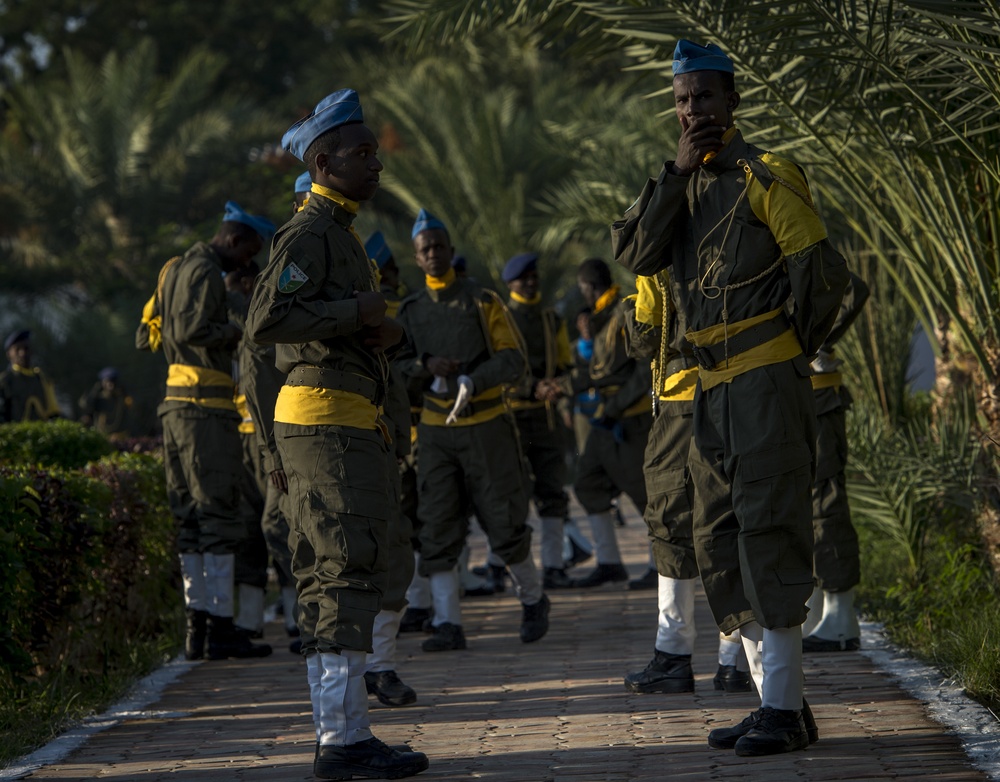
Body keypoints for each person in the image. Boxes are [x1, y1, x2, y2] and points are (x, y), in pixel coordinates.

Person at [612, 40, 848, 756]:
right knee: (715, 540)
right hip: (707, 390)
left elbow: (822, 275)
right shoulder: (673, 186)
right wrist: (674, 175)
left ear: (732, 102)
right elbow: (635, 258)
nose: (695, 113)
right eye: (684, 102)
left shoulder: (766, 177)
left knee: (769, 528)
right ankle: (782, 704)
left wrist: (782, 352)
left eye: (706, 98)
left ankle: (779, 708)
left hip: (764, 382)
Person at [245, 88, 428, 780]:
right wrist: (355, 310)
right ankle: (341, 739)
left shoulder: (340, 228)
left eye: (374, 150)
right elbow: (267, 319)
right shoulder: (311, 231)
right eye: (361, 152)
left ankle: (346, 732)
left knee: (349, 568)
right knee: (339, 570)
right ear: (323, 162)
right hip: (321, 424)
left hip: (349, 420)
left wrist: (380, 326)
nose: (375, 162)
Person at [394, 208, 550, 652]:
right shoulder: (410, 311)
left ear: (450, 250)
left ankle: (533, 599)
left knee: (503, 520)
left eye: (439, 247)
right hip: (435, 431)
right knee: (437, 524)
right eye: (425, 249)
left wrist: (473, 379)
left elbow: (513, 359)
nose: (433, 254)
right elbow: (396, 366)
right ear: (416, 257)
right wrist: (424, 366)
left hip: (486, 426)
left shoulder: (482, 301)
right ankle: (448, 623)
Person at [136, 201, 274, 662]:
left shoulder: (172, 268)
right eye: (249, 252)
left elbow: (147, 333)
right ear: (233, 240)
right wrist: (235, 335)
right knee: (218, 515)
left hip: (174, 406)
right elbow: (196, 328)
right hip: (205, 409)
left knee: (189, 520)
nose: (249, 264)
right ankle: (219, 631)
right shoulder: (202, 270)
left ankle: (198, 632)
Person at [621, 274, 751, 695]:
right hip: (737, 392)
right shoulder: (732, 237)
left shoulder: (659, 264)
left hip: (681, 402)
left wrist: (633, 306)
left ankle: (673, 655)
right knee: (731, 521)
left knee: (671, 525)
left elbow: (643, 339)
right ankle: (735, 660)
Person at [546, 258, 652, 588]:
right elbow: (592, 369)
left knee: (647, 496)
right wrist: (561, 386)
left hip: (628, 420)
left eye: (583, 289)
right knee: (588, 483)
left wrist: (617, 406)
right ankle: (609, 562)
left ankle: (661, 565)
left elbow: (643, 368)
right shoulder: (593, 319)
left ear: (591, 287)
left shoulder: (625, 312)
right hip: (603, 420)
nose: (583, 295)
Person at [801, 272, 870, 652]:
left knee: (825, 504)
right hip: (793, 398)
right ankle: (818, 612)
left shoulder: (797, 239)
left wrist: (817, 337)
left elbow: (852, 287)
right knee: (801, 505)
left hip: (818, 400)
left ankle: (841, 616)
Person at [501, 252, 576, 589]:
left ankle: (554, 565)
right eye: (523, 278)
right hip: (513, 416)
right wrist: (533, 387)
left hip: (546, 418)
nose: (530, 283)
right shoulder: (501, 317)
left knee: (553, 492)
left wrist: (557, 385)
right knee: (510, 494)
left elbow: (562, 361)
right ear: (510, 283)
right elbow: (497, 368)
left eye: (534, 277)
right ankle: (503, 568)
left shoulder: (550, 318)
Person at [0, 330, 61, 423]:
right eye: (17, 349)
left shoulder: (41, 378)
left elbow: (53, 412)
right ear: (9, 353)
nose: (22, 353)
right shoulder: (5, 380)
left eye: (26, 348)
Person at [79, 367, 133, 437]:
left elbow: (131, 407)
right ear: (103, 383)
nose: (111, 385)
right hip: (102, 434)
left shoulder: (122, 397)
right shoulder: (98, 397)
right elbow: (85, 405)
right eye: (108, 381)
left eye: (113, 381)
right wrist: (95, 390)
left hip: (121, 435)